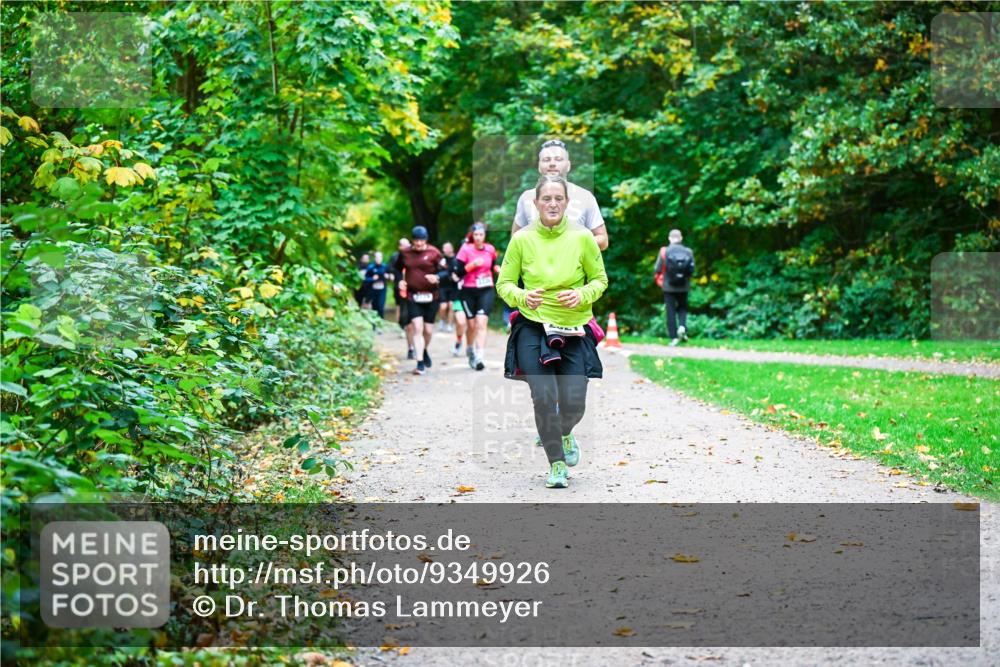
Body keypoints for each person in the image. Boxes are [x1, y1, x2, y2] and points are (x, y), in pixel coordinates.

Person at [497, 176, 608, 489]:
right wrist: (522, 297)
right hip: (533, 324)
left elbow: (600, 280)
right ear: (535, 203)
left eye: (559, 198)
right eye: (546, 198)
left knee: (574, 403)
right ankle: (557, 464)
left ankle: (565, 432)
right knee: (543, 396)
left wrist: (581, 295)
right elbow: (504, 284)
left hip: (574, 326)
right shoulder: (521, 240)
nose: (553, 204)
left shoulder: (582, 237)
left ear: (567, 202)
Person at [511, 139, 609, 251]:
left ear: (568, 165)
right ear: (539, 166)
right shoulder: (526, 197)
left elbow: (603, 241)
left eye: (558, 159)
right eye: (546, 160)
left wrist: (571, 243)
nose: (552, 164)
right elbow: (515, 239)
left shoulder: (585, 197)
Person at [394, 226, 448, 375]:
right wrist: (399, 280)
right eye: (416, 240)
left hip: (432, 296)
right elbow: (397, 268)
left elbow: (447, 270)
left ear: (426, 239)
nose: (418, 243)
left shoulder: (434, 253)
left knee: (428, 330)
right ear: (412, 240)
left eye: (421, 240)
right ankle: (420, 364)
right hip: (413, 296)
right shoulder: (405, 253)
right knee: (417, 328)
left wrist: (437, 277)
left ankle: (423, 350)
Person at [455, 222, 499, 371]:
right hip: (468, 290)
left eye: (481, 235)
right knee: (472, 325)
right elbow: (457, 272)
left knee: (481, 323)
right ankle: (469, 348)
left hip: (486, 289)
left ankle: (479, 356)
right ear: (472, 236)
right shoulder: (465, 250)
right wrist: (472, 265)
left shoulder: (490, 249)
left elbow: (493, 264)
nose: (478, 237)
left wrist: (498, 269)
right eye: (476, 235)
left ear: (484, 235)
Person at [654, 229, 695, 346]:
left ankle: (673, 338)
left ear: (669, 238)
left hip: (668, 286)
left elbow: (657, 268)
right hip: (684, 286)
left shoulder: (664, 251)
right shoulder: (688, 251)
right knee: (682, 308)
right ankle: (682, 326)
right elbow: (692, 269)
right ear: (681, 238)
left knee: (670, 311)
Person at [389, 238, 415, 359]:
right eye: (402, 245)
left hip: (417, 291)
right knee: (405, 316)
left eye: (407, 245)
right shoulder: (396, 258)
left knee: (420, 323)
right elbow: (391, 269)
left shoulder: (416, 256)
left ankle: (420, 347)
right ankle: (410, 346)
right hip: (401, 290)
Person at [437, 242, 460, 333]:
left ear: (451, 249)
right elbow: (437, 272)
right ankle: (442, 320)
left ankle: (450, 324)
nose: (445, 250)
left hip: (453, 287)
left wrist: (457, 277)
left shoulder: (457, 260)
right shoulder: (441, 260)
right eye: (444, 248)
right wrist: (440, 266)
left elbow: (460, 272)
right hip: (443, 286)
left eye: (447, 248)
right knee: (443, 306)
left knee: (451, 305)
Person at [364, 251, 390, 319]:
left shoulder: (385, 267)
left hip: (382, 289)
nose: (378, 258)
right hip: (373, 290)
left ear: (382, 258)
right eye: (377, 257)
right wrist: (372, 279)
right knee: (374, 307)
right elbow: (365, 279)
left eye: (380, 257)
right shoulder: (370, 267)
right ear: (374, 258)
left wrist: (388, 277)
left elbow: (391, 277)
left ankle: (381, 322)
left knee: (380, 307)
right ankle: (374, 325)